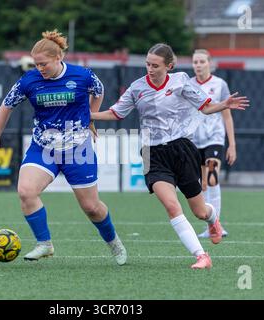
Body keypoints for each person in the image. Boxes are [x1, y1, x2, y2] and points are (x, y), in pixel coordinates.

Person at [91, 43, 248, 269]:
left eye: (155, 65)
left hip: (182, 150)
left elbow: (205, 107)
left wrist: (224, 104)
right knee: (172, 206)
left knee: (200, 211)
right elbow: (116, 113)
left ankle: (213, 219)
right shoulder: (137, 88)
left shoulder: (181, 81)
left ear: (169, 66)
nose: (150, 69)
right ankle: (201, 256)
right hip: (152, 153)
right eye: (147, 64)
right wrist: (90, 115)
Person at [0, 30, 127, 266]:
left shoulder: (82, 76)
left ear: (59, 57)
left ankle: (114, 242)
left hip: (77, 149)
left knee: (92, 208)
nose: (40, 68)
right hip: (43, 147)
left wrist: (90, 118)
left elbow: (98, 91)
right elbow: (5, 106)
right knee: (26, 192)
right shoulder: (29, 81)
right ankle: (45, 244)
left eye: (44, 63)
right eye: (36, 64)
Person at [191, 49, 236, 238]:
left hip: (214, 138)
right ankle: (209, 224)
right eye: (195, 62)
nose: (198, 65)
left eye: (202, 61)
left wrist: (232, 144)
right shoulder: (188, 85)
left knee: (212, 177)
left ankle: (216, 225)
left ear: (210, 63)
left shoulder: (219, 85)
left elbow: (227, 115)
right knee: (202, 185)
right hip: (194, 140)